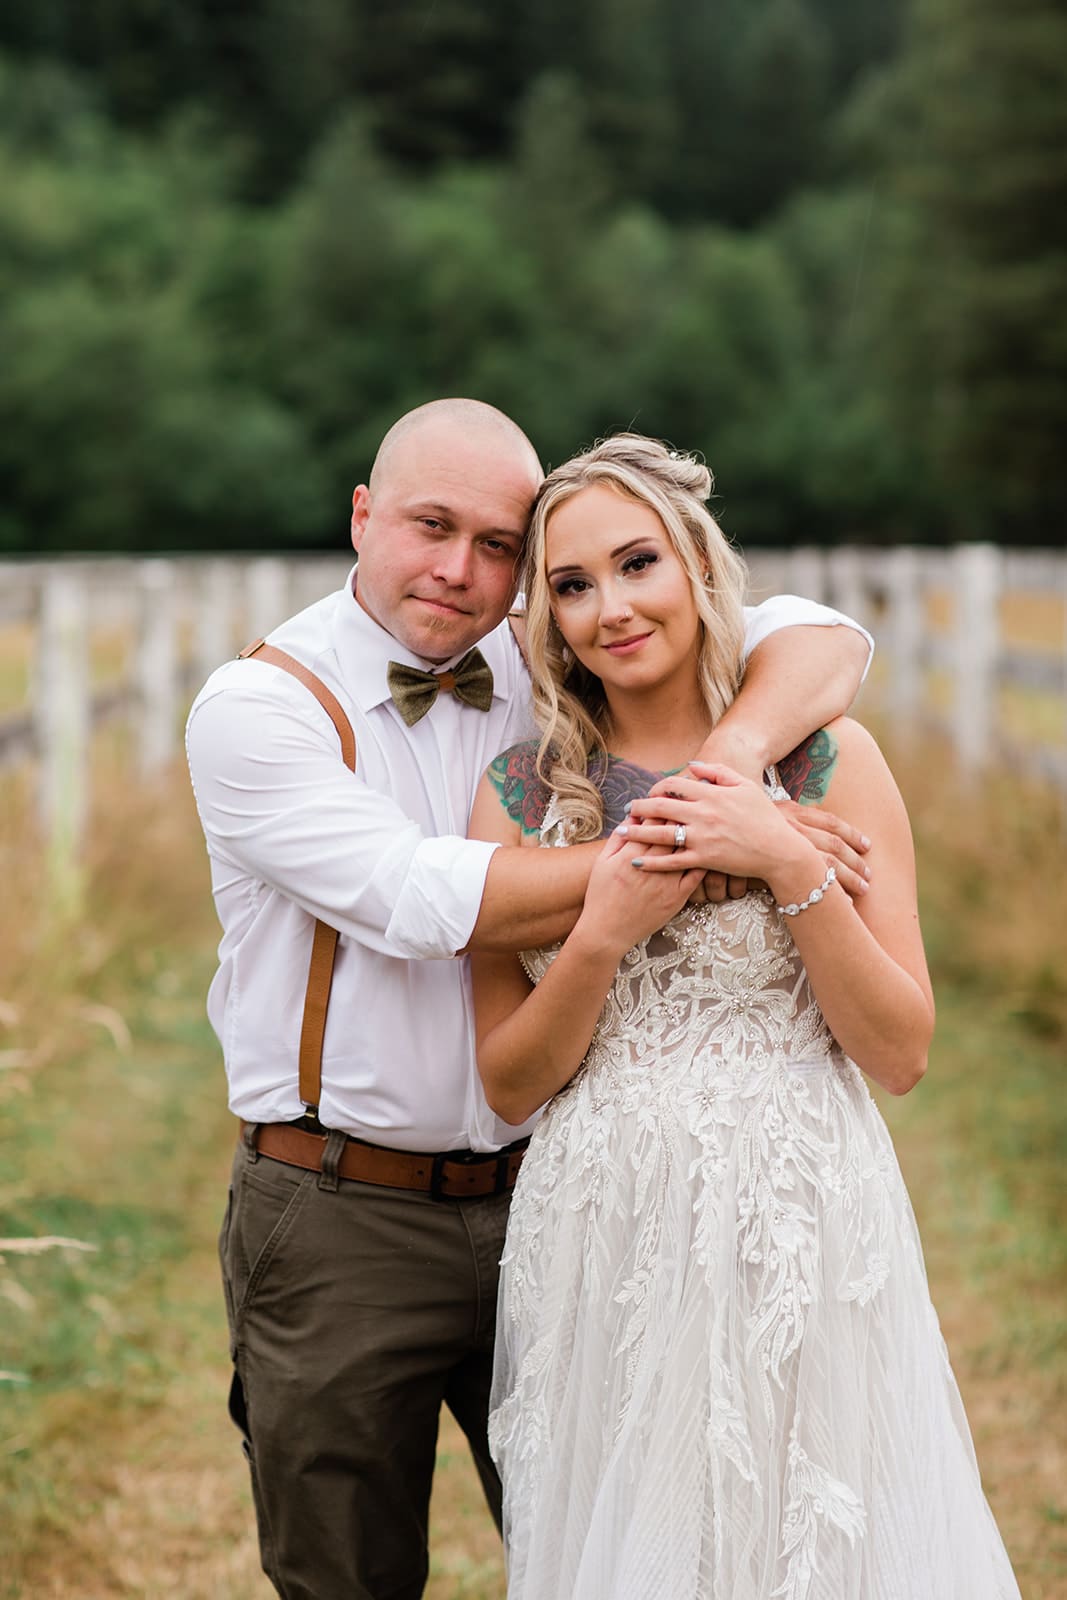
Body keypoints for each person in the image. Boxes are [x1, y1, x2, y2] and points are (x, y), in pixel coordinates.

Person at [185, 399, 873, 1600]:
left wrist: (729, 764)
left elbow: (819, 635)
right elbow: (420, 895)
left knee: (611, 1554)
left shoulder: (545, 645)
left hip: (566, 1193)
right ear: (361, 516)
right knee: (344, 1569)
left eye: (496, 543)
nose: (459, 570)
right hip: (345, 1208)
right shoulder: (260, 708)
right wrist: (718, 849)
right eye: (427, 526)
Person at [469, 433, 1021, 1600]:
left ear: (696, 567)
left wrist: (782, 859)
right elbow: (510, 1082)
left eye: (636, 563)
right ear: (546, 616)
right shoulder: (520, 794)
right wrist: (604, 928)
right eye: (571, 584)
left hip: (799, 1217)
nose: (610, 607)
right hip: (603, 1227)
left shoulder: (829, 761)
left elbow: (901, 1047)